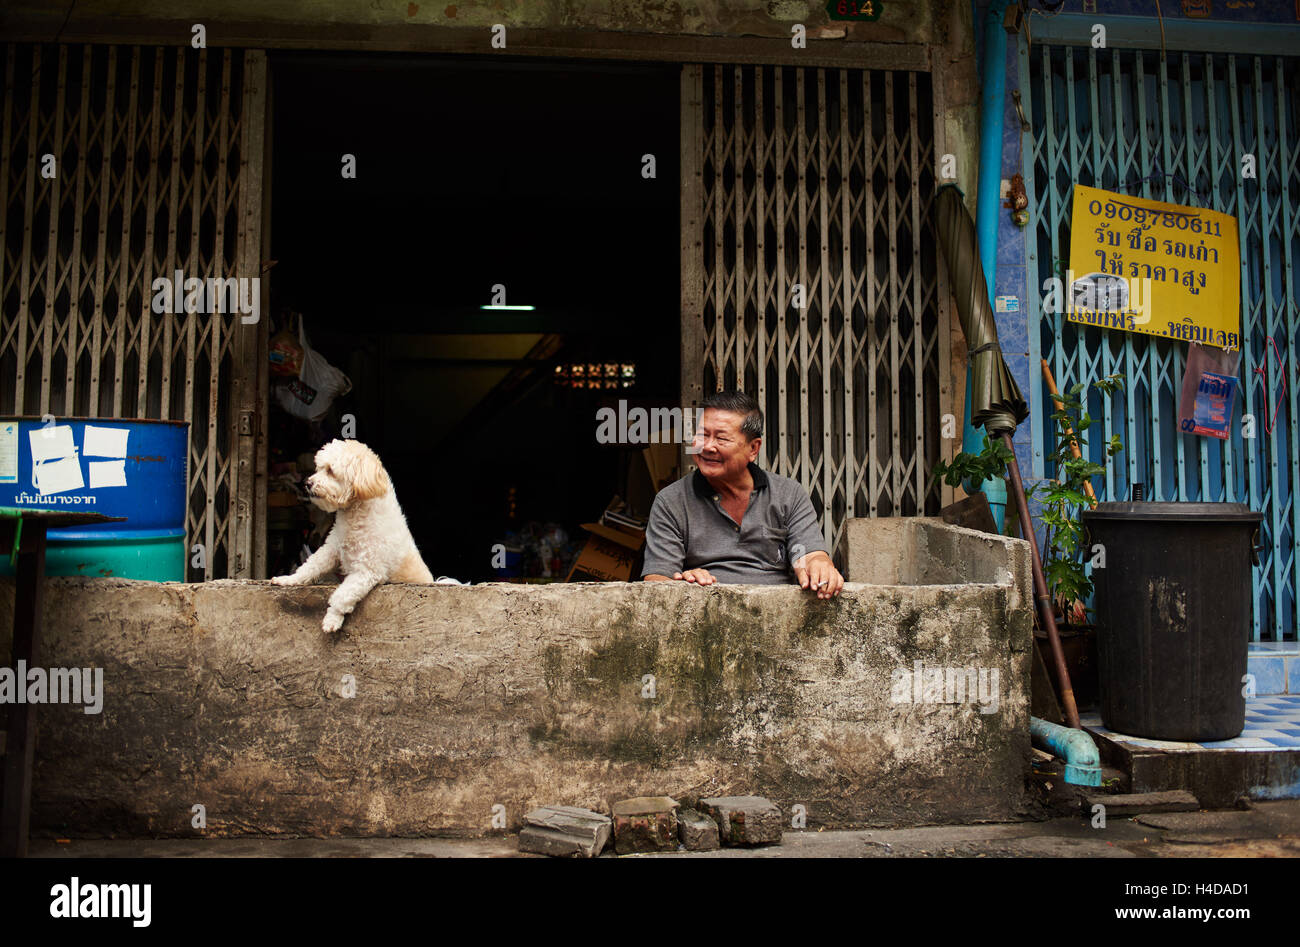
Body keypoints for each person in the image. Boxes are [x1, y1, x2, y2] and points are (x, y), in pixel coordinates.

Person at [640, 390, 844, 599]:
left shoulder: (788, 494)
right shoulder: (670, 501)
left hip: (777, 613)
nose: (708, 446)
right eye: (702, 435)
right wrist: (682, 583)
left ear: (753, 448)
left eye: (722, 438)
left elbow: (808, 554)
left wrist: (818, 564)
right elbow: (656, 580)